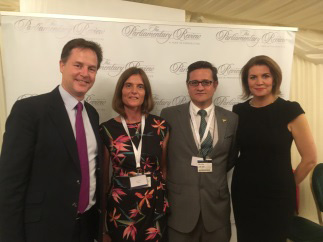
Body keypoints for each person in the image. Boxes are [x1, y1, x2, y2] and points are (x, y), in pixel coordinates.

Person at [0, 38, 103, 242]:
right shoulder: (29, 111)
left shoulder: (92, 114)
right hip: (44, 230)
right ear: (62, 65)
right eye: (78, 65)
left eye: (92, 68)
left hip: (86, 226)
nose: (85, 73)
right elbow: (10, 184)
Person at [231, 55, 317, 241]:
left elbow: (310, 158)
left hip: (277, 197)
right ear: (246, 82)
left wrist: (286, 184)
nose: (259, 81)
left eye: (265, 76)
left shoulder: (290, 110)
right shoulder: (238, 111)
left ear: (275, 79)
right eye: (253, 77)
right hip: (244, 193)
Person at [160, 61, 238, 242]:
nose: (200, 87)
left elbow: (229, 159)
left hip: (216, 211)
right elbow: (165, 158)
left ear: (215, 85)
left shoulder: (232, 119)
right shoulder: (169, 115)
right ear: (187, 85)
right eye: (194, 83)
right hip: (180, 211)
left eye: (206, 82)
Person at [100, 67, 169, 242]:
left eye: (140, 86)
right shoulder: (106, 129)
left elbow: (164, 169)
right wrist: (101, 226)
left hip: (153, 206)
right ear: (120, 91)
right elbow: (103, 179)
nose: (134, 91)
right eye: (128, 85)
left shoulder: (160, 126)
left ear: (146, 93)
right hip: (121, 209)